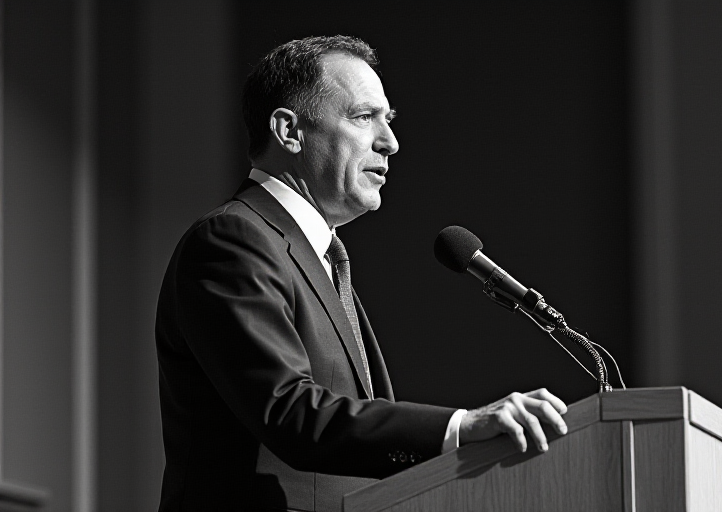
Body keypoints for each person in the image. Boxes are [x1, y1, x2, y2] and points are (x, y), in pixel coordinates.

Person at [155, 35, 568, 512]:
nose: (389, 142)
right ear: (289, 131)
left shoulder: (318, 253)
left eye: (387, 120)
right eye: (363, 116)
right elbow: (288, 411)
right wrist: (461, 427)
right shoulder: (233, 240)